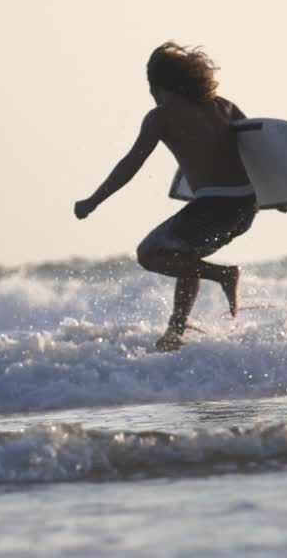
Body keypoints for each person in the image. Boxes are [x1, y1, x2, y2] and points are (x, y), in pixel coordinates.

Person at [75, 42, 257, 351]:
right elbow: (258, 149)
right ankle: (175, 332)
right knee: (184, 257)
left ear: (157, 84)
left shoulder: (161, 116)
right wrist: (281, 195)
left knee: (149, 253)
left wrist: (93, 200)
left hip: (213, 206)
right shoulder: (223, 105)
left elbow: (130, 164)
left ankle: (224, 274)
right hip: (246, 207)